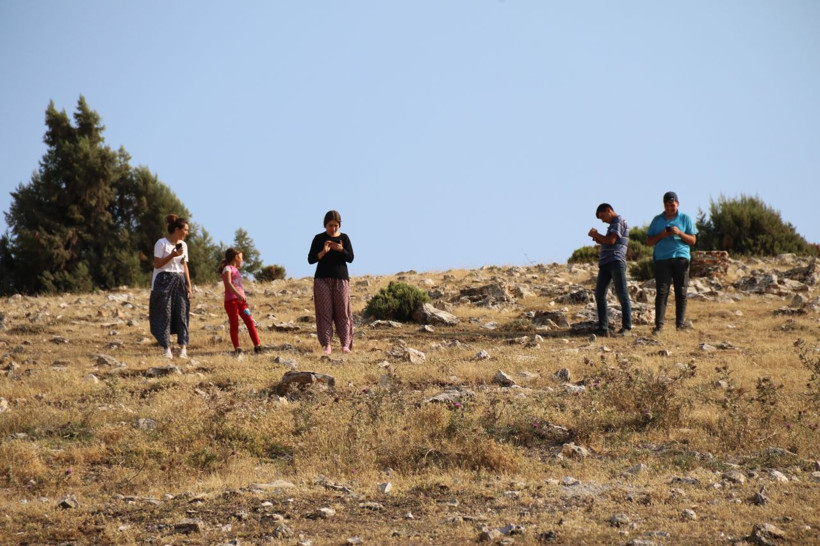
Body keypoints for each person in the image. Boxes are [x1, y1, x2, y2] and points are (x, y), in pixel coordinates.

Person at [647, 191, 698, 333]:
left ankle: (680, 325)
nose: (670, 208)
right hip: (662, 259)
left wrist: (679, 233)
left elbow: (693, 241)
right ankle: (659, 326)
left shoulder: (685, 218)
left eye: (673, 205)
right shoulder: (657, 220)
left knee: (681, 291)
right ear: (664, 205)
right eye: (667, 205)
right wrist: (662, 234)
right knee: (662, 291)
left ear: (678, 204)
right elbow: (649, 241)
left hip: (681, 257)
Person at [308, 210, 354, 354]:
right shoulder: (318, 238)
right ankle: (326, 344)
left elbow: (350, 258)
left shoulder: (344, 238)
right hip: (322, 279)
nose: (333, 228)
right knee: (325, 312)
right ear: (325, 225)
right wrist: (323, 252)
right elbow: (311, 259)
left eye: (335, 226)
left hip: (341, 279)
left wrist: (341, 250)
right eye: (330, 225)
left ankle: (345, 345)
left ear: (339, 225)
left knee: (343, 312)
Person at [149, 214, 192, 359]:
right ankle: (166, 348)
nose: (187, 232)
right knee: (165, 313)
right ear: (177, 229)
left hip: (179, 279)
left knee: (182, 313)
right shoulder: (161, 243)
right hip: (164, 279)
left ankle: (183, 349)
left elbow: (184, 265)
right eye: (185, 229)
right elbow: (157, 264)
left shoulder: (184, 245)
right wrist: (172, 255)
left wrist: (189, 285)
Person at [588, 203, 632, 336]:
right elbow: (610, 241)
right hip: (606, 262)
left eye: (602, 217)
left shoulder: (618, 221)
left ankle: (627, 328)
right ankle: (603, 328)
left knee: (622, 294)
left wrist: (596, 234)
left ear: (609, 210)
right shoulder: (614, 224)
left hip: (615, 261)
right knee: (599, 294)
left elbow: (612, 240)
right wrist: (599, 239)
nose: (603, 220)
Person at [219, 247, 262, 356]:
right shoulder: (228, 269)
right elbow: (228, 283)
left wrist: (242, 295)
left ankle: (257, 345)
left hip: (241, 302)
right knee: (234, 324)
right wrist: (238, 295)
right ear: (236, 257)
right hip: (231, 302)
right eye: (241, 258)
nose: (242, 260)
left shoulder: (236, 270)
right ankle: (237, 348)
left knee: (250, 321)